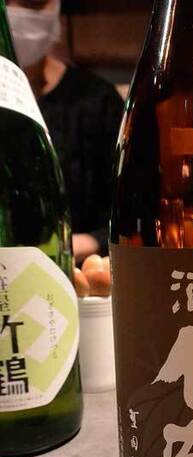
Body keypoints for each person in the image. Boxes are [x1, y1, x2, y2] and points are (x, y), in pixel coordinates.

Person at [6, 0, 125, 262]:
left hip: (79, 266)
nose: (15, 11)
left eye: (31, 2)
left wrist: (86, 242)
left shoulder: (98, 101)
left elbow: (133, 209)